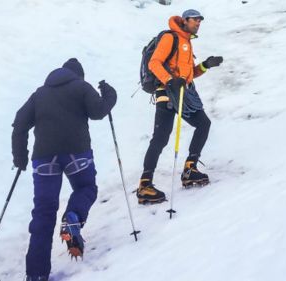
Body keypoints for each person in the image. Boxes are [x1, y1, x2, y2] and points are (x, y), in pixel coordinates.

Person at [11, 58, 117, 281]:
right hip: (76, 152)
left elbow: (19, 124)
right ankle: (73, 216)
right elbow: (98, 112)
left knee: (43, 212)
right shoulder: (81, 86)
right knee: (87, 187)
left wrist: (20, 157)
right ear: (79, 74)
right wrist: (110, 95)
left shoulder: (39, 94)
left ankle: (36, 275)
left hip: (43, 159)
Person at [137, 9, 223, 204]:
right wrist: (169, 80)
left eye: (200, 20)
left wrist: (205, 65)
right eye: (195, 20)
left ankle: (190, 169)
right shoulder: (171, 38)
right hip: (166, 93)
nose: (198, 23)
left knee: (203, 124)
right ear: (185, 21)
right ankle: (145, 184)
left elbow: (188, 74)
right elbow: (154, 63)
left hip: (185, 94)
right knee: (160, 138)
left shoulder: (187, 43)